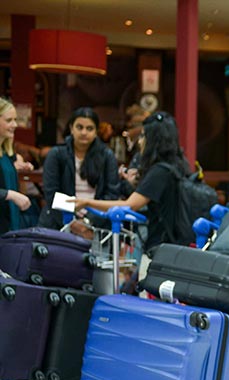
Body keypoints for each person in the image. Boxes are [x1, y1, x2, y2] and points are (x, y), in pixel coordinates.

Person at [72, 111, 189, 277]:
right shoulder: (177, 166)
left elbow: (130, 205)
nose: (140, 142)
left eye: (143, 136)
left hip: (161, 248)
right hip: (175, 246)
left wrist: (87, 203)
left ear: (153, 141)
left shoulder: (160, 172)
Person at [38, 107, 120, 231]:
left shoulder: (107, 156)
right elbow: (51, 193)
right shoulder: (56, 154)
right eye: (79, 127)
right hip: (59, 223)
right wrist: (72, 222)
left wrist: (88, 222)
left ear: (96, 131)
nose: (84, 132)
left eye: (89, 128)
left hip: (97, 225)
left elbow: (112, 194)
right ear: (71, 128)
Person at [0, 97, 33, 234]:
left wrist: (21, 166)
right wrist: (10, 195)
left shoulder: (7, 151)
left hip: (9, 226)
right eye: (9, 120)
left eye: (15, 119)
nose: (15, 125)